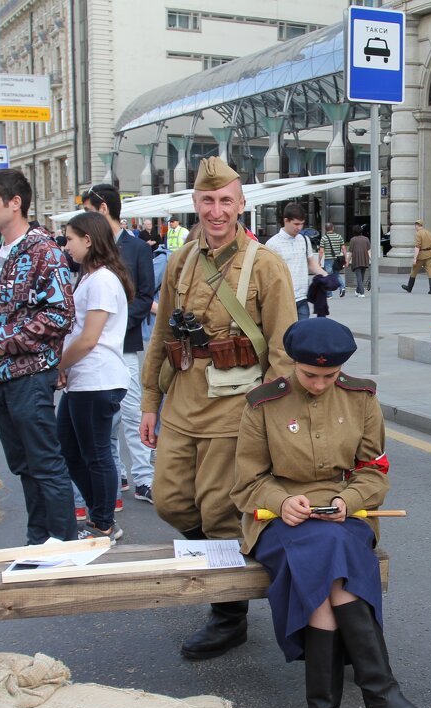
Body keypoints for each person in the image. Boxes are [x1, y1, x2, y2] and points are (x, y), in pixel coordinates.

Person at [231, 317, 431, 708]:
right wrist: (282, 502)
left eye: (330, 376)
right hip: (278, 522)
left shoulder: (361, 399)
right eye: (310, 375)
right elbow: (245, 484)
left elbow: (374, 470)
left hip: (345, 516)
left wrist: (351, 499)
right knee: (330, 555)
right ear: (291, 364)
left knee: (329, 560)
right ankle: (380, 693)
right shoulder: (263, 404)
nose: (321, 384)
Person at [140, 157, 297, 660]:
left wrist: (268, 417)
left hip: (237, 407)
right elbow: (162, 334)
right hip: (184, 400)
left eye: (225, 200)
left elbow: (282, 350)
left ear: (241, 204)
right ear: (195, 203)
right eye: (207, 200)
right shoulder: (183, 260)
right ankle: (220, 569)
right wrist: (150, 400)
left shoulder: (266, 265)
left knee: (219, 511)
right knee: (169, 501)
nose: (216, 210)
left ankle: (228, 613)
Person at [0, 168, 77, 545]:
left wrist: (4, 342)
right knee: (25, 466)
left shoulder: (43, 250)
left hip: (28, 375)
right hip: (0, 376)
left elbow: (61, 313)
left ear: (14, 203)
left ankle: (63, 545)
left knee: (45, 464)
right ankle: (38, 540)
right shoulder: (1, 249)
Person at [56, 211, 135, 541]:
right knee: (73, 451)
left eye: (70, 239)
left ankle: (102, 523)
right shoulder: (90, 276)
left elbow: (89, 338)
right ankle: (99, 517)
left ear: (88, 239)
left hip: (97, 378)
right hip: (83, 379)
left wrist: (59, 365)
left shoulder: (102, 279)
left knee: (97, 454)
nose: (66, 246)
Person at [82, 183, 156, 504]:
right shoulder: (88, 248)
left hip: (124, 342)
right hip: (95, 346)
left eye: (88, 211)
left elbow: (144, 295)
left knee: (130, 410)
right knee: (104, 416)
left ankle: (143, 477)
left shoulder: (137, 248)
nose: (84, 218)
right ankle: (118, 474)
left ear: (102, 209)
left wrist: (117, 323)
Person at [267, 202, 328, 320]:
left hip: (302, 298)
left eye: (301, 224)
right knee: (284, 337)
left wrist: (326, 276)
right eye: (296, 224)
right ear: (286, 221)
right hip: (282, 301)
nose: (299, 228)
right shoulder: (272, 244)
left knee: (303, 335)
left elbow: (311, 263)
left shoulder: (304, 240)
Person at [402, 220, 431, 294]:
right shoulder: (429, 233)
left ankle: (409, 288)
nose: (415, 227)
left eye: (415, 225)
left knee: (414, 272)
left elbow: (417, 247)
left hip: (421, 255)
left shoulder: (418, 234)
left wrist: (414, 259)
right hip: (429, 254)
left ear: (417, 225)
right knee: (430, 272)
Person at [320, 222, 347, 297]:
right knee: (336, 274)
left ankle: (329, 294)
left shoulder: (324, 238)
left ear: (325, 229)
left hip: (328, 260)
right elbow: (344, 248)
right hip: (337, 260)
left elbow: (321, 251)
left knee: (328, 276)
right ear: (333, 228)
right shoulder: (339, 236)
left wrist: (319, 261)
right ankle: (342, 288)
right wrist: (346, 259)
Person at [346, 225, 370, 297]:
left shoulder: (353, 240)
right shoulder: (366, 239)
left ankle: (362, 293)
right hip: (365, 260)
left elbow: (350, 252)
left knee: (359, 277)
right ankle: (357, 291)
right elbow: (369, 251)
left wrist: (347, 261)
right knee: (361, 277)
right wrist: (372, 260)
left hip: (356, 260)